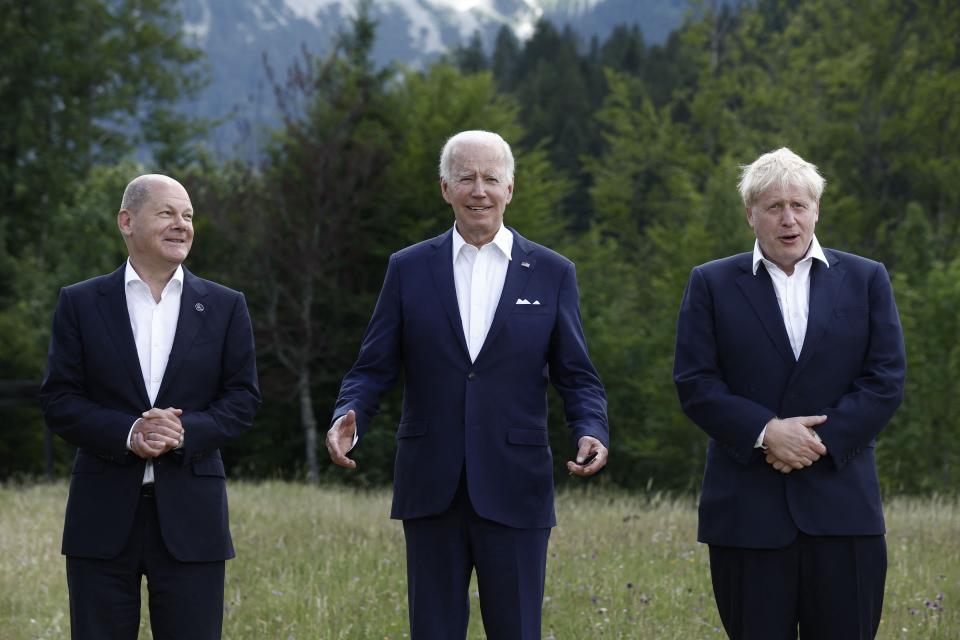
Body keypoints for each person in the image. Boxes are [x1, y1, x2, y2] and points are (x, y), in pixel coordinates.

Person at [326, 130, 609, 639]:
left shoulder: (552, 272)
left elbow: (577, 375)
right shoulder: (407, 268)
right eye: (466, 178)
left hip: (516, 485)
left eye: (490, 179)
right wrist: (349, 415)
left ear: (509, 189)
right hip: (432, 484)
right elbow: (371, 368)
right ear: (445, 188)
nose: (479, 190)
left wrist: (591, 428)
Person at [673, 148, 906, 639]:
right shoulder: (711, 283)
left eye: (799, 205)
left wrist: (815, 441)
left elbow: (885, 379)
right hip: (746, 514)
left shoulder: (866, 279)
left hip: (844, 511)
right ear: (750, 214)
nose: (788, 219)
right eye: (774, 207)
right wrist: (765, 433)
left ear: (816, 210)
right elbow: (695, 382)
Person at [40, 174, 261, 639]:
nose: (181, 224)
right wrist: (128, 433)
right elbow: (59, 400)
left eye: (188, 216)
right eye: (166, 213)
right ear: (127, 221)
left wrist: (184, 433)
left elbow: (242, 400)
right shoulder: (80, 303)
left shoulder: (225, 306)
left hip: (193, 519)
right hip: (100, 519)